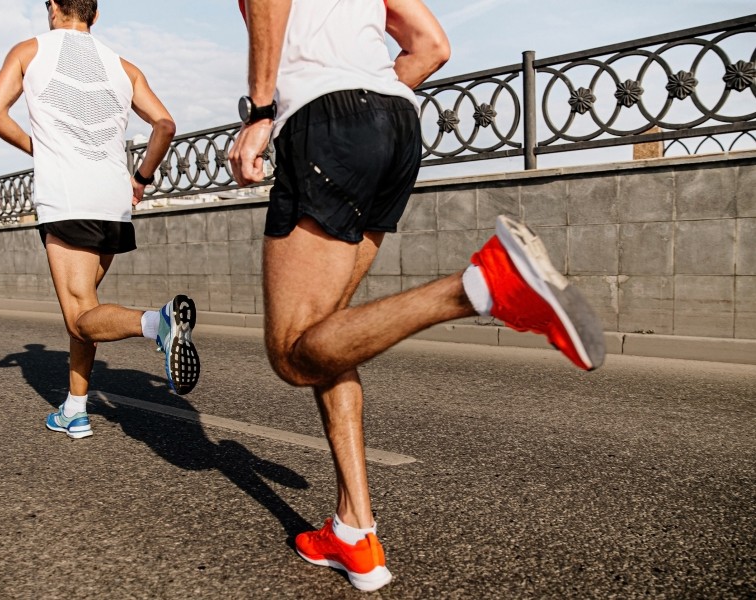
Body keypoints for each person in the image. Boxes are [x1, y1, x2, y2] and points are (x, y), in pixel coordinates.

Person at [229, 0, 605, 592]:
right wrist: (366, 93)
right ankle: (354, 531)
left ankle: (477, 287)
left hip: (324, 125)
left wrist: (262, 111)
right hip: (396, 121)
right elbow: (433, 46)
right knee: (332, 337)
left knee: (292, 355)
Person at [0, 0, 200, 440]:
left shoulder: (29, 51)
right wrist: (140, 179)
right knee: (87, 309)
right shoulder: (124, 66)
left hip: (68, 196)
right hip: (114, 199)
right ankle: (75, 409)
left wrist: (39, 149)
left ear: (53, 7)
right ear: (95, 16)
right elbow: (165, 125)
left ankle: (157, 323)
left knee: (79, 315)